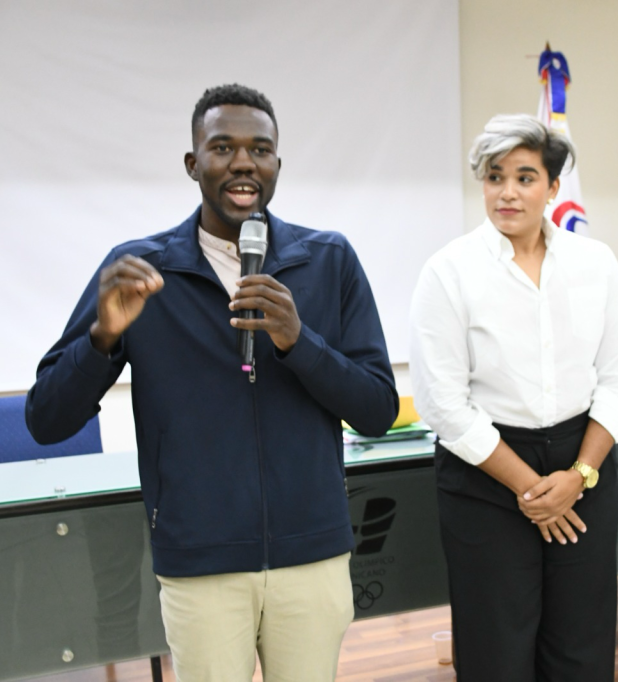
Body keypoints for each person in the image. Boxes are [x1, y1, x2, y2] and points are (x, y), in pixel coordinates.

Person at [25, 83, 398, 682]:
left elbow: (377, 409)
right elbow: (46, 420)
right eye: (222, 147)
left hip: (313, 556)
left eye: (261, 149)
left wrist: (299, 342)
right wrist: (102, 338)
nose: (244, 161)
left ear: (278, 163)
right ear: (193, 164)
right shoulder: (142, 270)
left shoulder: (328, 260)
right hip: (200, 563)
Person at [409, 113, 618, 681]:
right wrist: (532, 489)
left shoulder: (596, 264)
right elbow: (443, 403)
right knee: (497, 647)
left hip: (580, 463)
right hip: (485, 472)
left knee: (582, 644)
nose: (507, 192)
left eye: (525, 176)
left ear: (553, 187)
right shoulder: (449, 272)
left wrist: (577, 478)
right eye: (494, 177)